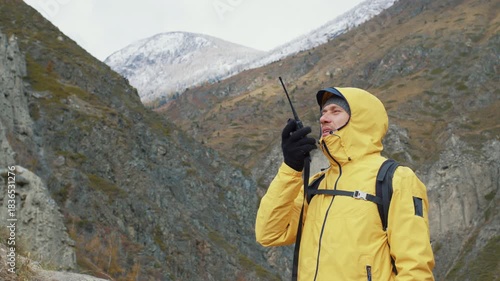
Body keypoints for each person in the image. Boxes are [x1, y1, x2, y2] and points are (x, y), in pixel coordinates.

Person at [255, 87, 435, 280]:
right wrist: (291, 167)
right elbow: (269, 233)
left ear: (361, 120)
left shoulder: (396, 179)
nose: (324, 118)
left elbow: (415, 269)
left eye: (335, 111)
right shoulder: (317, 184)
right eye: (323, 112)